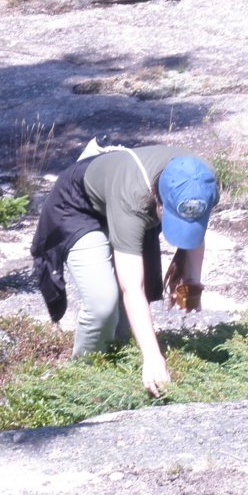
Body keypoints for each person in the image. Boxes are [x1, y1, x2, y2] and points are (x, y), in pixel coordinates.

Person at [30, 143, 218, 398]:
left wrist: (191, 284)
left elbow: (197, 228)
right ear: (159, 203)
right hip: (78, 209)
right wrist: (153, 357)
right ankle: (82, 382)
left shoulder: (203, 183)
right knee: (104, 304)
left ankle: (116, 380)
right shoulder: (135, 198)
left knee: (123, 329)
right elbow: (132, 288)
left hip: (120, 199)